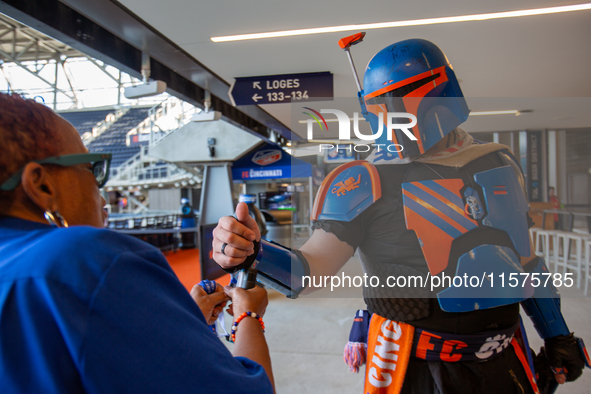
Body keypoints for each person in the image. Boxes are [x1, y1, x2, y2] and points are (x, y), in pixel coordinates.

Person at [212, 38, 586, 393]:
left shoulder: (496, 161)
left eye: (411, 89)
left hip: (505, 357)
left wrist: (558, 335)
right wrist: (252, 252)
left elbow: (525, 262)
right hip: (415, 365)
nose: (397, 107)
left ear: (444, 85)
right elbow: (308, 271)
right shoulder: (363, 180)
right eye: (381, 100)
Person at [0, 92, 274, 393]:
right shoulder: (89, 260)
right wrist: (248, 315)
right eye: (92, 169)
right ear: (42, 184)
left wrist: (181, 323)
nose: (101, 195)